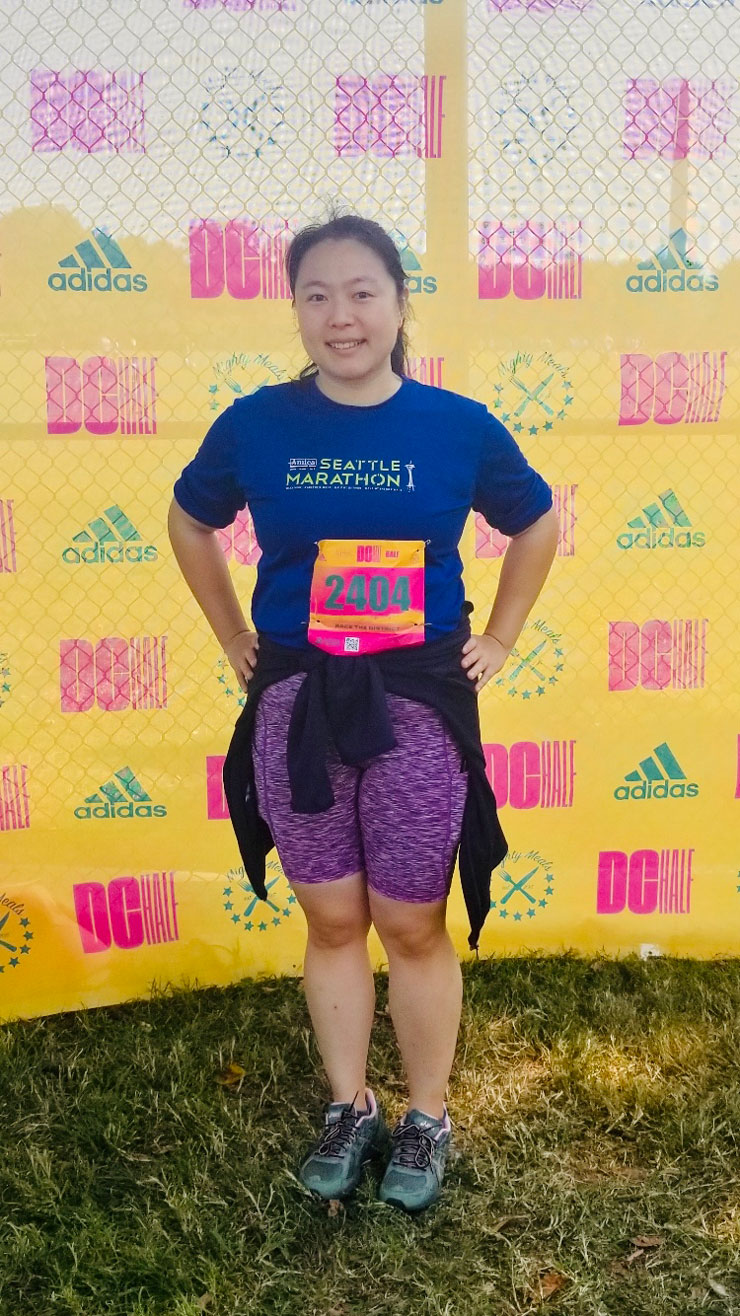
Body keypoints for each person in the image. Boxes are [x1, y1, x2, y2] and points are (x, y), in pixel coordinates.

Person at [168, 210, 559, 1214]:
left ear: (396, 303)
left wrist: (501, 635)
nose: (340, 316)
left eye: (360, 293)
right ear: (296, 309)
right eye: (316, 295)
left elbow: (535, 520)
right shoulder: (255, 423)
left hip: (415, 698)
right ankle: (350, 1103)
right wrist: (232, 632)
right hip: (298, 696)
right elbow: (189, 518)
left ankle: (426, 1114)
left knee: (411, 920)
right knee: (333, 916)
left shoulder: (456, 425)